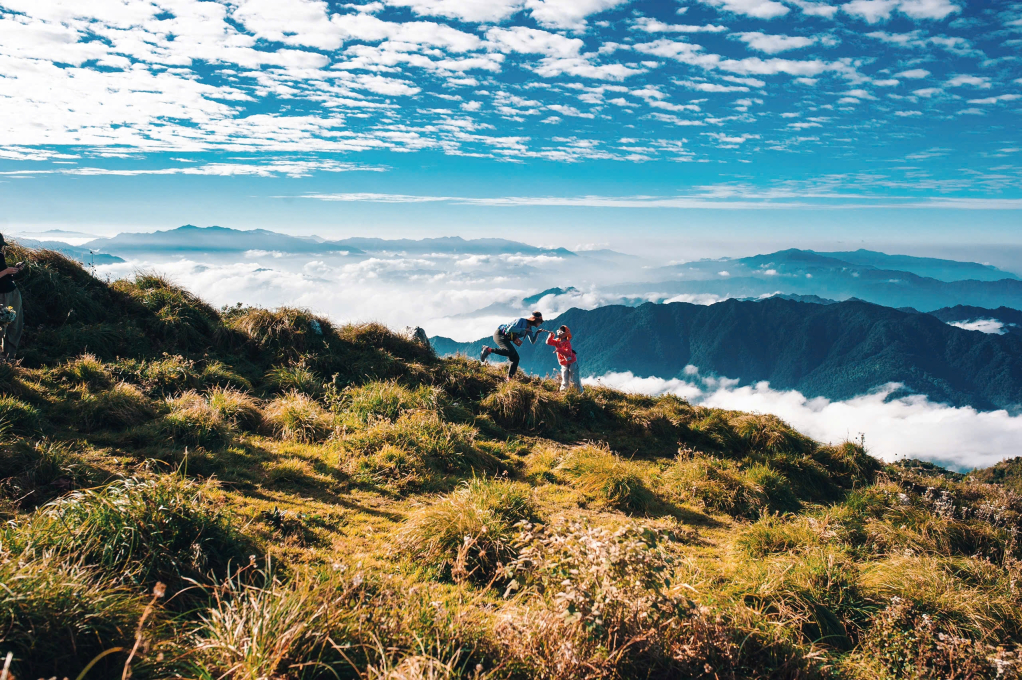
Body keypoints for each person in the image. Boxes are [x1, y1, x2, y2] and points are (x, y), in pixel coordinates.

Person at [480, 311, 544, 380]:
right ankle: (488, 349)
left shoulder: (530, 328)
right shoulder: (521, 321)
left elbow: (532, 341)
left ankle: (509, 379)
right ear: (535, 320)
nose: (540, 323)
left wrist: (537, 333)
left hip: (505, 338)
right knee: (510, 351)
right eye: (540, 321)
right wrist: (523, 329)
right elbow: (509, 329)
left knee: (516, 358)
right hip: (499, 334)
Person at [0, 234, 25, 360]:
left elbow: (4, 277)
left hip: (12, 292)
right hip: (2, 295)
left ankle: (9, 358)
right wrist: (6, 271)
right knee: (2, 326)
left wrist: (14, 270)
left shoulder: (0, 256)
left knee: (14, 325)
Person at [545, 324, 583, 393]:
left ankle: (579, 393)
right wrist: (551, 336)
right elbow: (548, 342)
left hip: (572, 362)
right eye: (558, 332)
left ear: (565, 334)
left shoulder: (567, 343)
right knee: (565, 378)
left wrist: (559, 350)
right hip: (564, 363)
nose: (558, 334)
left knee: (575, 379)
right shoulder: (557, 341)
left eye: (561, 333)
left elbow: (568, 353)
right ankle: (564, 392)